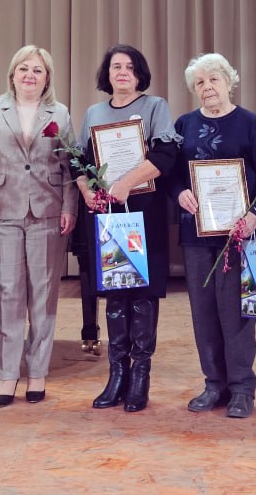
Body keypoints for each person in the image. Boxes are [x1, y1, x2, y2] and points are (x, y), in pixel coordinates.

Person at [170, 53, 256, 419]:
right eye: (200, 82)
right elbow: (171, 174)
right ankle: (214, 384)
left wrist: (254, 215)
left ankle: (242, 387)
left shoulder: (249, 123)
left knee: (236, 313)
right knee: (203, 313)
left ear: (229, 82)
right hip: (196, 233)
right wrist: (179, 193)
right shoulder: (184, 124)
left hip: (238, 233)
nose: (207, 87)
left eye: (214, 79)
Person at [75, 44, 179, 412]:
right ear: (107, 74)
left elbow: (165, 155)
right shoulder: (94, 113)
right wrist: (86, 191)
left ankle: (140, 377)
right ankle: (116, 374)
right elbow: (79, 161)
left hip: (144, 212)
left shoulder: (155, 107)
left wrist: (125, 183)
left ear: (140, 75)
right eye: (116, 66)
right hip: (107, 213)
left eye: (130, 67)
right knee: (115, 292)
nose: (123, 72)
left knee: (143, 294)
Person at [0, 46, 78, 407]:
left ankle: (37, 372)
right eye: (24, 68)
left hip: (48, 211)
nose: (30, 75)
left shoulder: (59, 113)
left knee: (44, 293)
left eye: (37, 70)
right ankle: (8, 374)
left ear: (47, 78)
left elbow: (70, 164)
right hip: (3, 210)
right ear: (12, 74)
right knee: (8, 292)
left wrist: (70, 207)